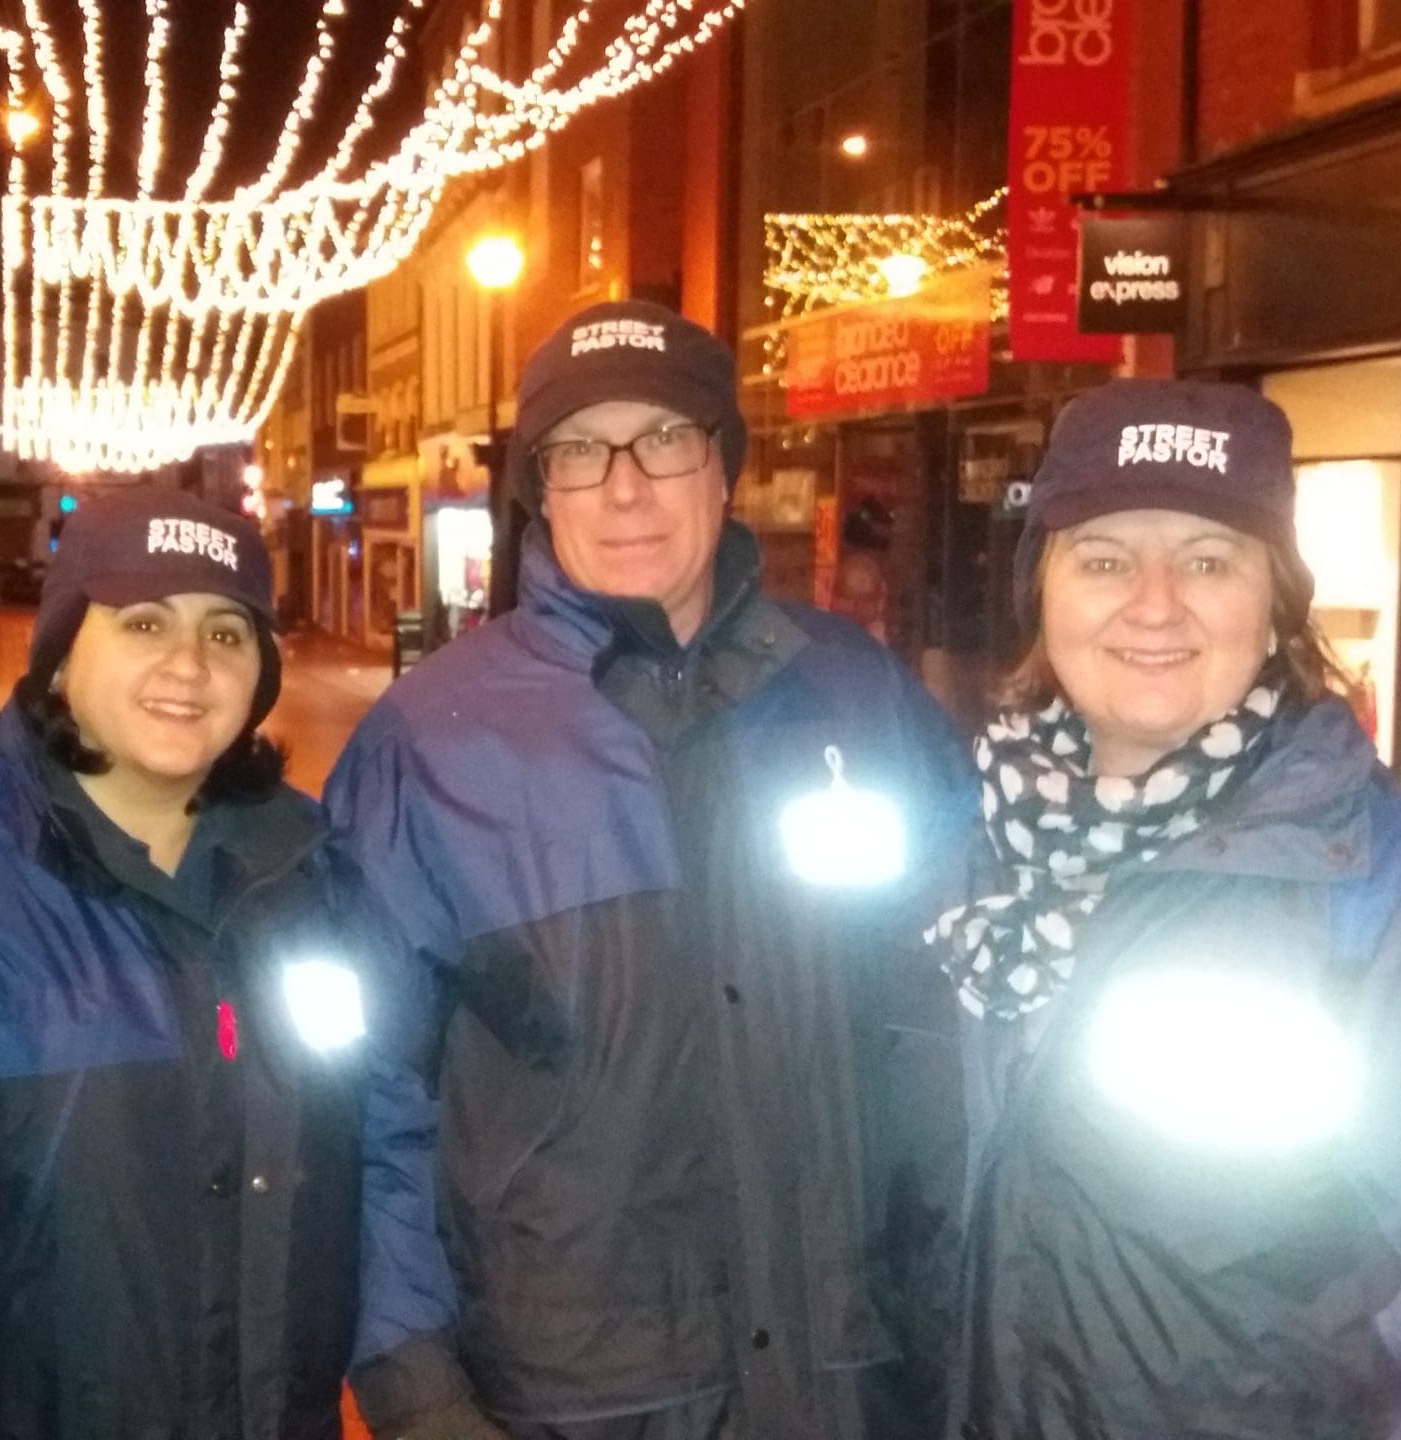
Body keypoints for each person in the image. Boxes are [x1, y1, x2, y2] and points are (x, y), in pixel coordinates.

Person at [930, 379, 1401, 1439]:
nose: (1154, 600)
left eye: (1210, 560)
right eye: (1102, 558)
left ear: (1274, 611)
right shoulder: (983, 872)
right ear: (1041, 593)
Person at [329, 300, 976, 1440]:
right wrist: (418, 1391)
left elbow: (955, 1021)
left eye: (663, 440)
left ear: (722, 466)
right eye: (580, 451)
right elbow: (364, 1100)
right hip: (573, 1393)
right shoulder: (433, 741)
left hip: (857, 1380)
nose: (624, 488)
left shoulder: (857, 696)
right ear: (540, 488)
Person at [0, 487, 382, 1439]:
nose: (187, 666)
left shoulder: (311, 875)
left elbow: (376, 1151)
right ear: (62, 651)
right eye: (145, 622)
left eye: (227, 634)